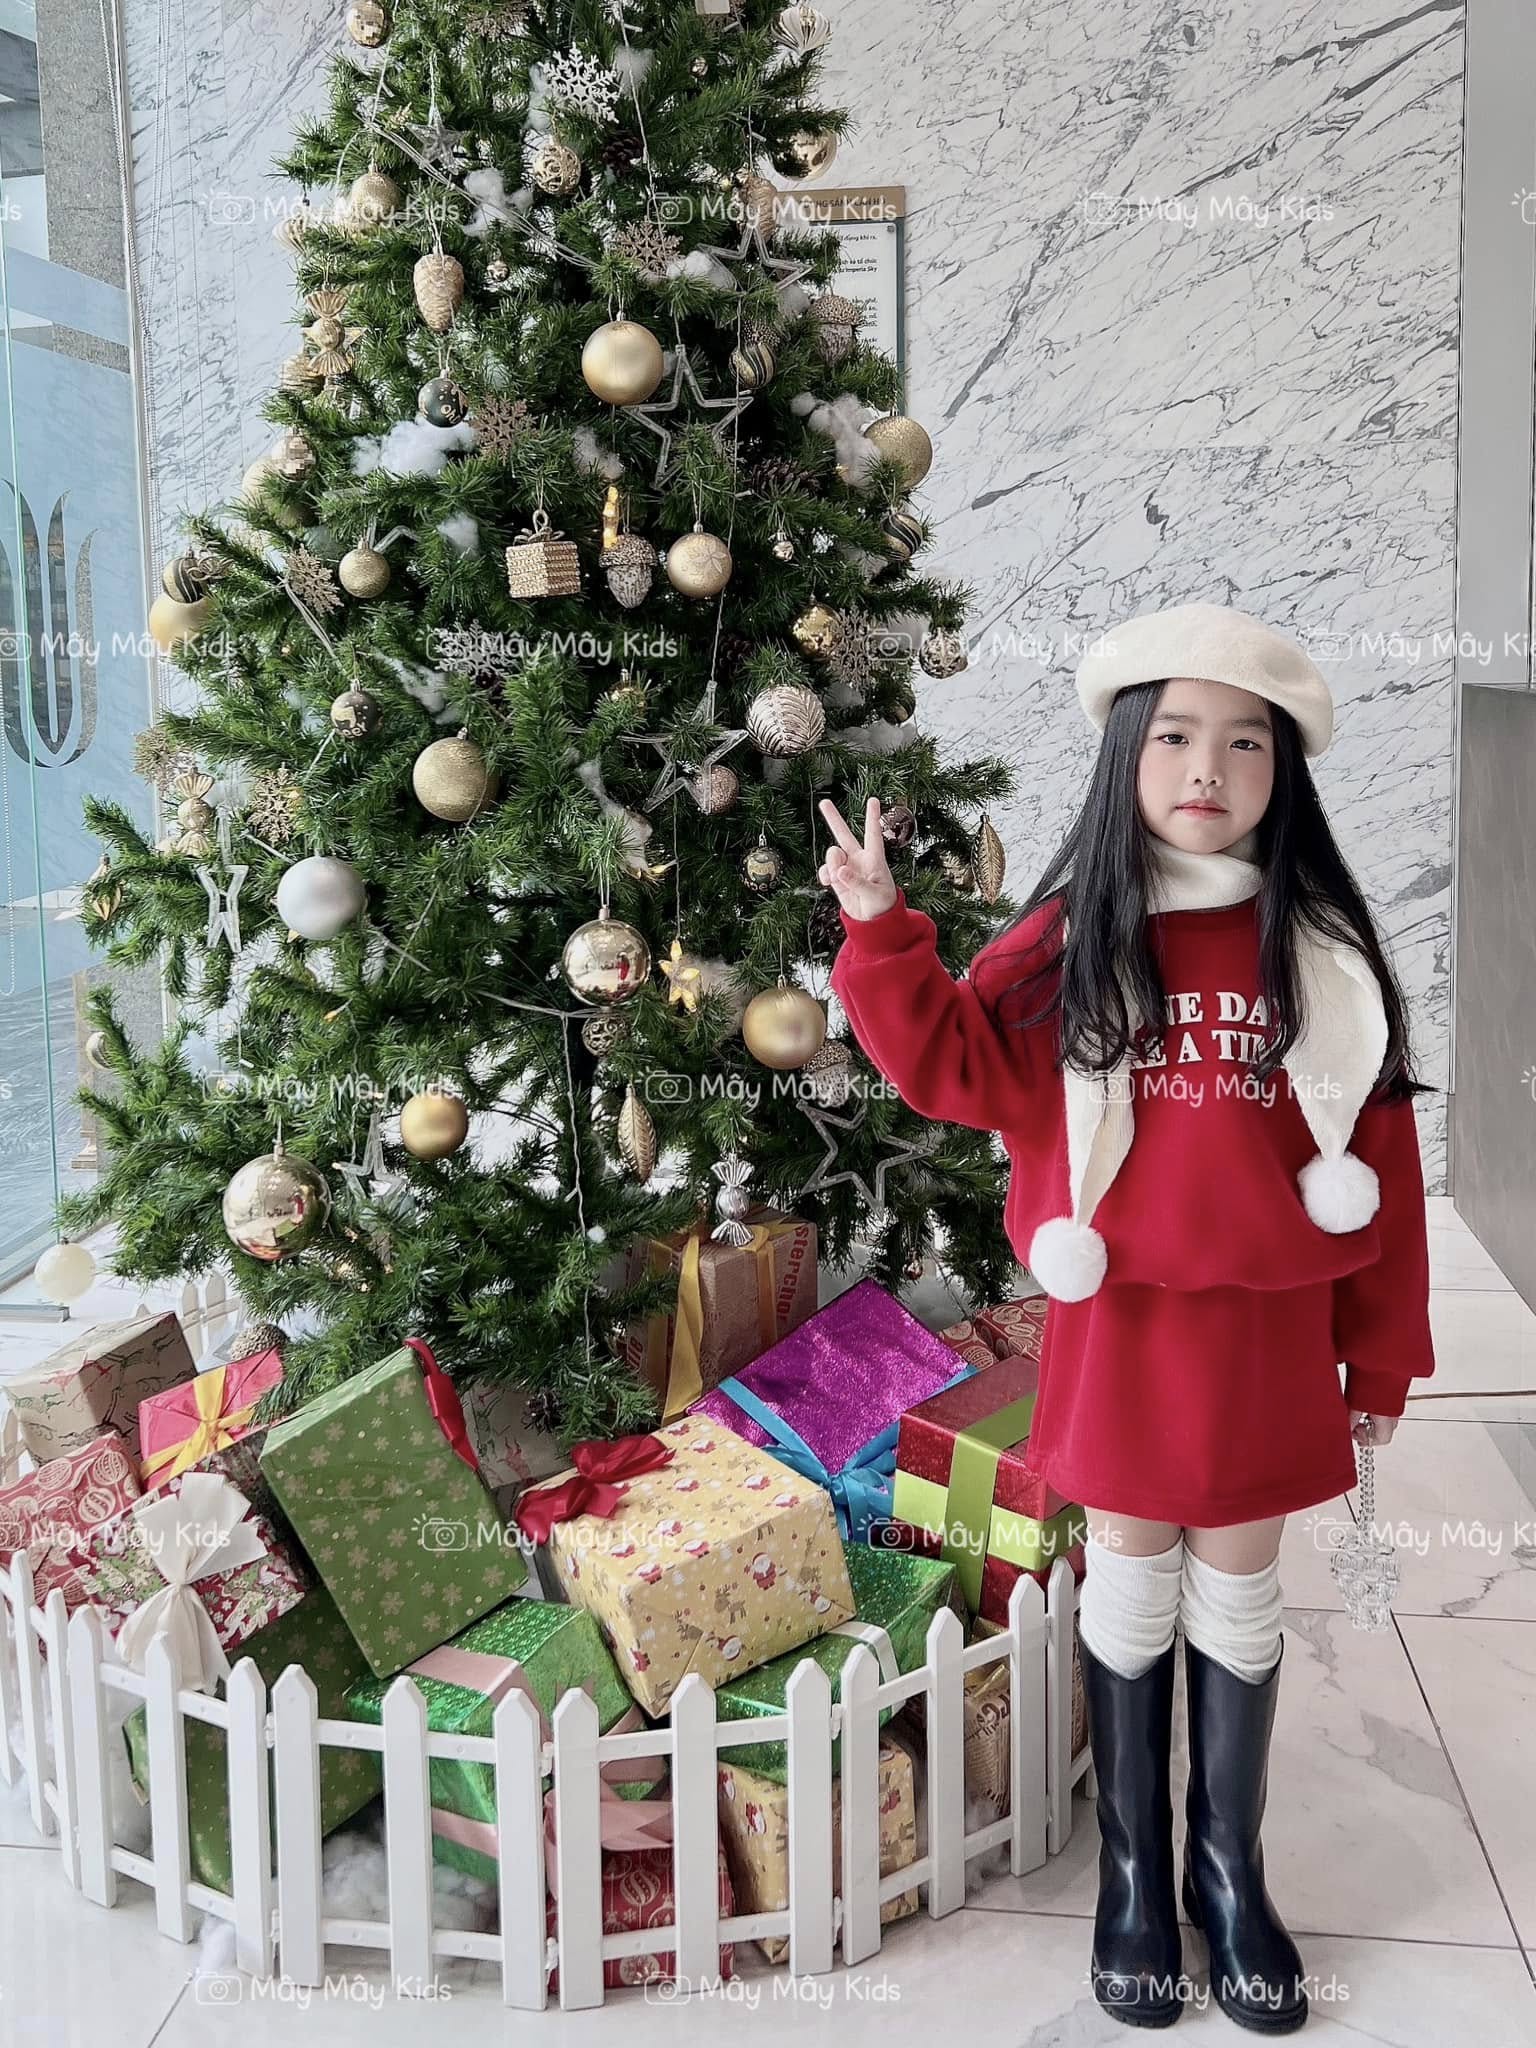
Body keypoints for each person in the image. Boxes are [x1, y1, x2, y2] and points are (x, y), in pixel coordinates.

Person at [819, 602, 1436, 2033]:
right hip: (1125, 1329)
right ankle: (1137, 1877)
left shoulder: (1321, 955)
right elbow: (954, 1066)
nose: (1206, 769)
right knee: (1132, 1577)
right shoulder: (1070, 941)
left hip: (1268, 1335)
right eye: (1173, 737)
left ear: (1284, 770)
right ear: (1123, 755)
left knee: (1241, 1589)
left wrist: (1384, 1357)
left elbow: (1386, 1169)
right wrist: (880, 930)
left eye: (1244, 742)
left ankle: (1231, 1871)